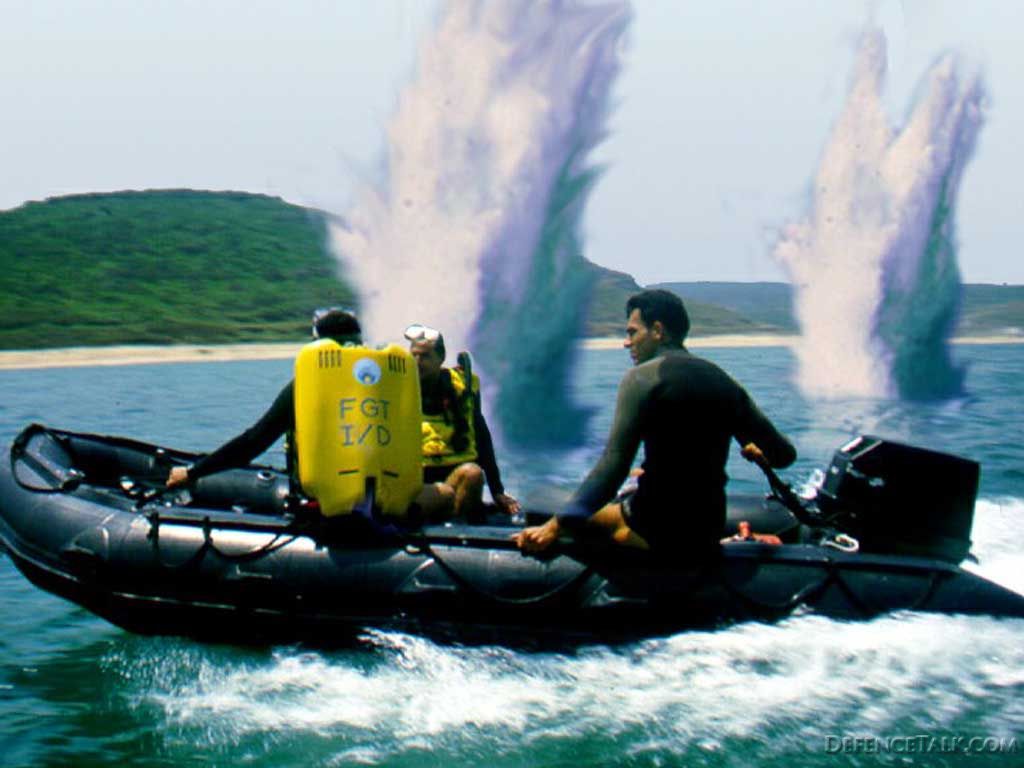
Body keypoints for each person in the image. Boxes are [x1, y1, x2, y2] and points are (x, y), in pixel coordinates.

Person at [513, 289, 796, 556]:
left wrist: (552, 527)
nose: (627, 342)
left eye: (632, 332)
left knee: (542, 506)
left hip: (654, 530)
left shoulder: (642, 378)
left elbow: (611, 470)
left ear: (658, 331)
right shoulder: (724, 380)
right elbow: (783, 456)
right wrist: (758, 452)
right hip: (706, 530)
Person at [166, 307, 363, 490]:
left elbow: (254, 442)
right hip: (384, 500)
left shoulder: (308, 385)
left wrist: (192, 472)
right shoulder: (386, 383)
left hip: (325, 501)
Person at [405, 323, 520, 521]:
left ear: (441, 358)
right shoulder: (397, 389)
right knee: (445, 494)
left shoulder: (463, 388)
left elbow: (481, 437)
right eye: (413, 355)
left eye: (425, 356)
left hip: (455, 476)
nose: (417, 361)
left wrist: (497, 490)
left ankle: (459, 530)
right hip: (417, 482)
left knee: (473, 474)